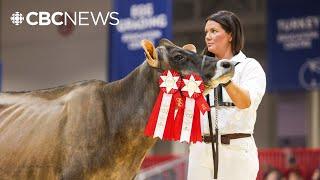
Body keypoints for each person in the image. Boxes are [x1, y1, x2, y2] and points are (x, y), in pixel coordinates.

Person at [187, 10, 266, 179]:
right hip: (200, 150)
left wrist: (225, 79)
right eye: (206, 32)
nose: (208, 36)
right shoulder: (199, 70)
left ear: (230, 35)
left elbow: (246, 102)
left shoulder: (249, 66)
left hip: (236, 151)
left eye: (214, 31)